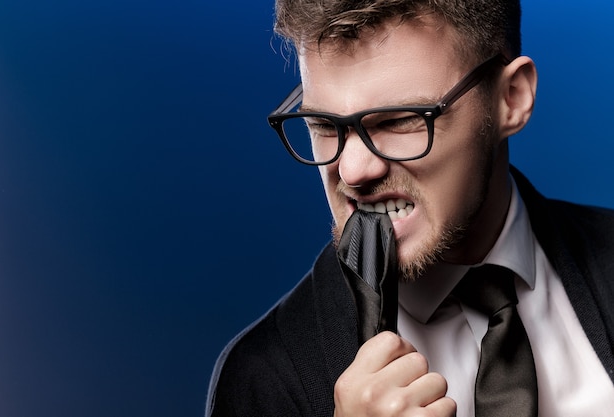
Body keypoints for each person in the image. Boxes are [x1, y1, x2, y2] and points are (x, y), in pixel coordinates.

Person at [206, 1, 614, 416]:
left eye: (400, 120)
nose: (352, 170)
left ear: (511, 97)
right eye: (325, 126)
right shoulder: (261, 381)